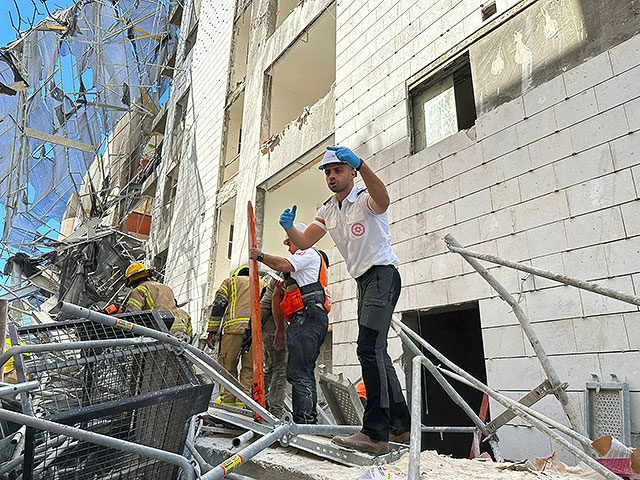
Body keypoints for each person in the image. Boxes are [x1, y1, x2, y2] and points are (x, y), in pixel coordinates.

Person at [277, 146, 411, 455]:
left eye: (338, 170)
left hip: (383, 275)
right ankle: (400, 428)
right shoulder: (327, 210)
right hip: (364, 281)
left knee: (368, 348)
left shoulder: (364, 197)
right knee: (376, 351)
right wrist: (288, 227)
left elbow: (384, 200)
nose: (332, 177)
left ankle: (376, 434)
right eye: (327, 172)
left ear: (351, 172)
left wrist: (363, 164)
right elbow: (304, 240)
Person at [249, 224, 330, 424]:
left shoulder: (309, 253)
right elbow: (281, 292)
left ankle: (304, 421)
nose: (287, 244)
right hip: (306, 318)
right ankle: (307, 420)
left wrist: (259, 256)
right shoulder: (302, 268)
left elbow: (284, 264)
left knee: (299, 372)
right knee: (302, 370)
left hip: (308, 318)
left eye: (290, 239)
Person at [207, 265, 253, 407]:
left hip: (233, 330)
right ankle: (242, 404)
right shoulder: (261, 283)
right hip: (255, 332)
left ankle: (228, 404)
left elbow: (219, 306)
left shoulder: (230, 282)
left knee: (227, 367)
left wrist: (212, 331)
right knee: (249, 369)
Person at [124, 262, 192, 340]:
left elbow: (132, 314)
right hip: (179, 330)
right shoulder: (166, 288)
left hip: (160, 330)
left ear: (131, 280)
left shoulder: (138, 290)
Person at [259, 274, 288, 418]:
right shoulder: (285, 275)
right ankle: (276, 410)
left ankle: (257, 402)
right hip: (273, 323)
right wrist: (280, 329)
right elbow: (276, 301)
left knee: (270, 367)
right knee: (280, 367)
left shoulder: (278, 275)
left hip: (266, 323)